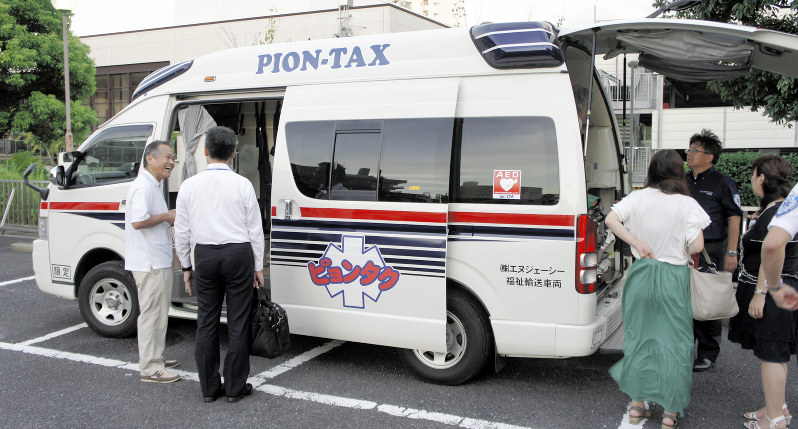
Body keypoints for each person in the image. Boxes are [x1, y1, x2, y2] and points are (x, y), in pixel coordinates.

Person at [607, 149, 710, 429]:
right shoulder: (686, 204)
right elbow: (698, 246)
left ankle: (637, 406)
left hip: (641, 273)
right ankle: (670, 413)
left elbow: (611, 219)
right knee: (675, 343)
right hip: (673, 276)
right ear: (678, 172)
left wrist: (637, 243)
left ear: (652, 170)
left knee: (639, 338)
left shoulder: (638, 197)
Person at [174, 126, 265, 403]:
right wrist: (258, 266)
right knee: (237, 322)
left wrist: (186, 267)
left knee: (206, 321)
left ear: (205, 151)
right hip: (238, 255)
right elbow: (255, 230)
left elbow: (181, 231)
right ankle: (235, 388)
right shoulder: (243, 184)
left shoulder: (189, 185)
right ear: (233, 153)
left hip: (205, 255)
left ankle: (209, 389)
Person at [728, 156, 796, 429]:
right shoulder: (782, 208)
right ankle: (775, 407)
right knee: (774, 353)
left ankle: (776, 420)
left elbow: (773, 249)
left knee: (772, 355)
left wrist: (761, 292)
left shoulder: (777, 212)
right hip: (778, 287)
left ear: (762, 179)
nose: (751, 180)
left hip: (769, 291)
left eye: (753, 175)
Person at [685, 129, 743, 371]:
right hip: (686, 249)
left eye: (694, 150)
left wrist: (732, 252)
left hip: (712, 249)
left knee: (708, 299)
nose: (688, 154)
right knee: (684, 298)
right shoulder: (683, 181)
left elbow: (734, 218)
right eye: (689, 149)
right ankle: (686, 348)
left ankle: (708, 352)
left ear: (709, 156)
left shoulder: (723, 183)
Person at [124, 140, 181, 383]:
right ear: (150, 158)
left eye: (173, 158)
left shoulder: (152, 185)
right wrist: (167, 217)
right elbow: (138, 221)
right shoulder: (144, 187)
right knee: (152, 314)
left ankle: (155, 356)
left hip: (155, 260)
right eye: (167, 157)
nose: (171, 162)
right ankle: (150, 367)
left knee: (159, 312)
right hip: (150, 263)